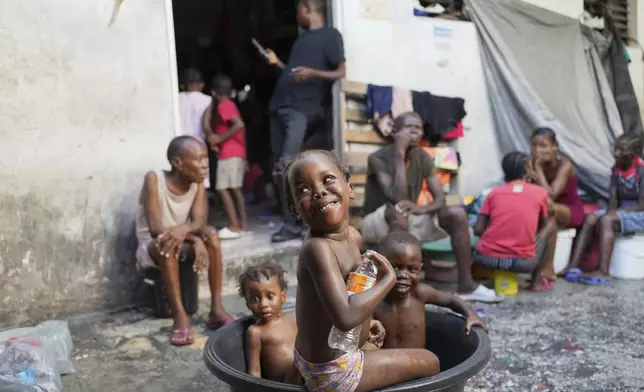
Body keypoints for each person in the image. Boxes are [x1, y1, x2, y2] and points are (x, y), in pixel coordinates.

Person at [285, 149, 439, 392]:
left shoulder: (354, 238)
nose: (318, 191)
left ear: (349, 188)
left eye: (328, 179)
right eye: (304, 189)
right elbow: (346, 316)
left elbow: (353, 289)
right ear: (295, 209)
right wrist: (387, 281)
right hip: (332, 371)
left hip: (331, 355)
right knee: (430, 361)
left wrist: (368, 324)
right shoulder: (317, 248)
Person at [361, 112, 503, 303]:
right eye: (408, 127)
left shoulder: (422, 156)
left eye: (418, 127)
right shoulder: (377, 158)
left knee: (456, 213)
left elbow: (439, 199)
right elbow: (396, 197)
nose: (414, 131)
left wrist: (422, 209)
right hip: (376, 222)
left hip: (409, 217)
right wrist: (399, 154)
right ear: (394, 131)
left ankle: (466, 285)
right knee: (397, 211)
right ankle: (397, 289)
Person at [135, 136, 233, 346]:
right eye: (199, 159)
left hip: (182, 240)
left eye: (206, 158)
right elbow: (155, 229)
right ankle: (179, 316)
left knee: (212, 235)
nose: (205, 164)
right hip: (153, 245)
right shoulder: (154, 179)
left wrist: (193, 238)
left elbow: (199, 221)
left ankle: (216, 308)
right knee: (166, 243)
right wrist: (192, 239)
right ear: (178, 163)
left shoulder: (197, 183)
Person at [263, 0, 346, 243]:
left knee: (289, 164)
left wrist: (313, 73)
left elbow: (341, 72)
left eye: (298, 9)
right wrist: (277, 62)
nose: (296, 14)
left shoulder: (330, 35)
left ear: (308, 7)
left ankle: (297, 223)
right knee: (279, 166)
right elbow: (292, 74)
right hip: (279, 107)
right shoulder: (301, 40)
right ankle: (291, 221)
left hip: (302, 109)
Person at [373, 232, 487, 350]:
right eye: (394, 267)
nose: (403, 275)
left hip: (417, 363)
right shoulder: (373, 298)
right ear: (379, 265)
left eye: (412, 269)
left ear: (420, 268)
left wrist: (471, 314)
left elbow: (451, 300)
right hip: (385, 365)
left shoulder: (420, 293)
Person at [564, 134, 644, 285]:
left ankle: (603, 271)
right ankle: (573, 266)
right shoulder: (616, 169)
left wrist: (614, 214)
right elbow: (613, 198)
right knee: (591, 218)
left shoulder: (641, 171)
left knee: (607, 219)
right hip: (622, 210)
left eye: (622, 150)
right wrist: (611, 211)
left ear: (635, 153)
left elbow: (642, 204)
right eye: (616, 148)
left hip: (640, 212)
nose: (616, 153)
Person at [473, 152, 558, 291]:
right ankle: (537, 281)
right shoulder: (540, 193)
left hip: (487, 260)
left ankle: (491, 278)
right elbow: (548, 215)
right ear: (527, 170)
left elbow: (478, 229)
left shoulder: (494, 193)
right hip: (524, 263)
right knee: (550, 224)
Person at [530, 127, 585, 281]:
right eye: (534, 145)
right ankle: (542, 267)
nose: (537, 150)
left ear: (554, 147)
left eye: (543, 146)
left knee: (549, 208)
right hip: (545, 211)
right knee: (545, 214)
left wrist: (538, 169)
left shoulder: (564, 165)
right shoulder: (530, 163)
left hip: (570, 211)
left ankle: (548, 268)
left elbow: (551, 194)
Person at [203, 75, 248, 240]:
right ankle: (242, 225)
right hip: (236, 152)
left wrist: (219, 139)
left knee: (222, 188)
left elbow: (239, 124)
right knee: (235, 189)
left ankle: (234, 225)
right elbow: (207, 124)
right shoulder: (229, 104)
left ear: (214, 92)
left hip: (228, 153)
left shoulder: (223, 106)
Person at [239, 263, 299, 383]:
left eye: (270, 296)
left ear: (283, 297)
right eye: (255, 299)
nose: (263, 304)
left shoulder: (293, 319)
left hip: (303, 376)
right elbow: (254, 371)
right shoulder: (256, 332)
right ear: (247, 304)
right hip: (282, 385)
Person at [178, 68, 212, 188]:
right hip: (199, 145)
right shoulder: (208, 100)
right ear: (200, 83)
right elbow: (207, 127)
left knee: (183, 182)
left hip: (179, 145)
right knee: (201, 184)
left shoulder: (176, 98)